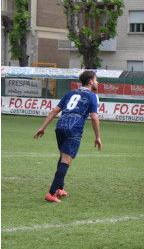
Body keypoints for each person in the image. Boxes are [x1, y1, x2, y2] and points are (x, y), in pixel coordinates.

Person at [34, 70, 102, 203]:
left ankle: (60, 189)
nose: (97, 82)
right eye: (96, 80)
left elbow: (55, 110)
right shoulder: (92, 96)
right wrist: (97, 136)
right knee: (66, 160)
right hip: (74, 128)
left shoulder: (69, 93)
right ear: (90, 82)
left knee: (62, 157)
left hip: (60, 126)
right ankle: (51, 193)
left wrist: (43, 127)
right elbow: (94, 117)